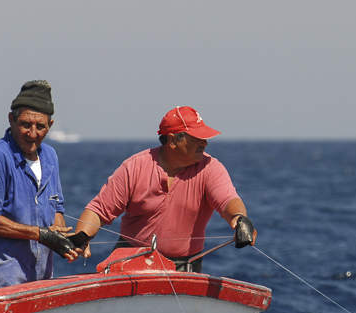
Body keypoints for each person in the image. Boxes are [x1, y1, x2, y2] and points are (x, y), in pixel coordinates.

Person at [71, 106, 256, 272]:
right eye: (197, 138)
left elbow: (228, 201)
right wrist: (82, 237)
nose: (205, 143)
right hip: (129, 261)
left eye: (205, 138)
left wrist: (240, 219)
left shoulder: (210, 168)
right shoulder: (135, 167)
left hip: (184, 265)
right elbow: (99, 210)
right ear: (173, 140)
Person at [0, 80, 79, 291]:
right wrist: (41, 234)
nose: (32, 133)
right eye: (25, 124)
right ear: (11, 119)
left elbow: (56, 207)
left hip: (40, 279)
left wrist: (64, 238)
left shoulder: (51, 156)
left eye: (41, 126)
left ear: (51, 125)